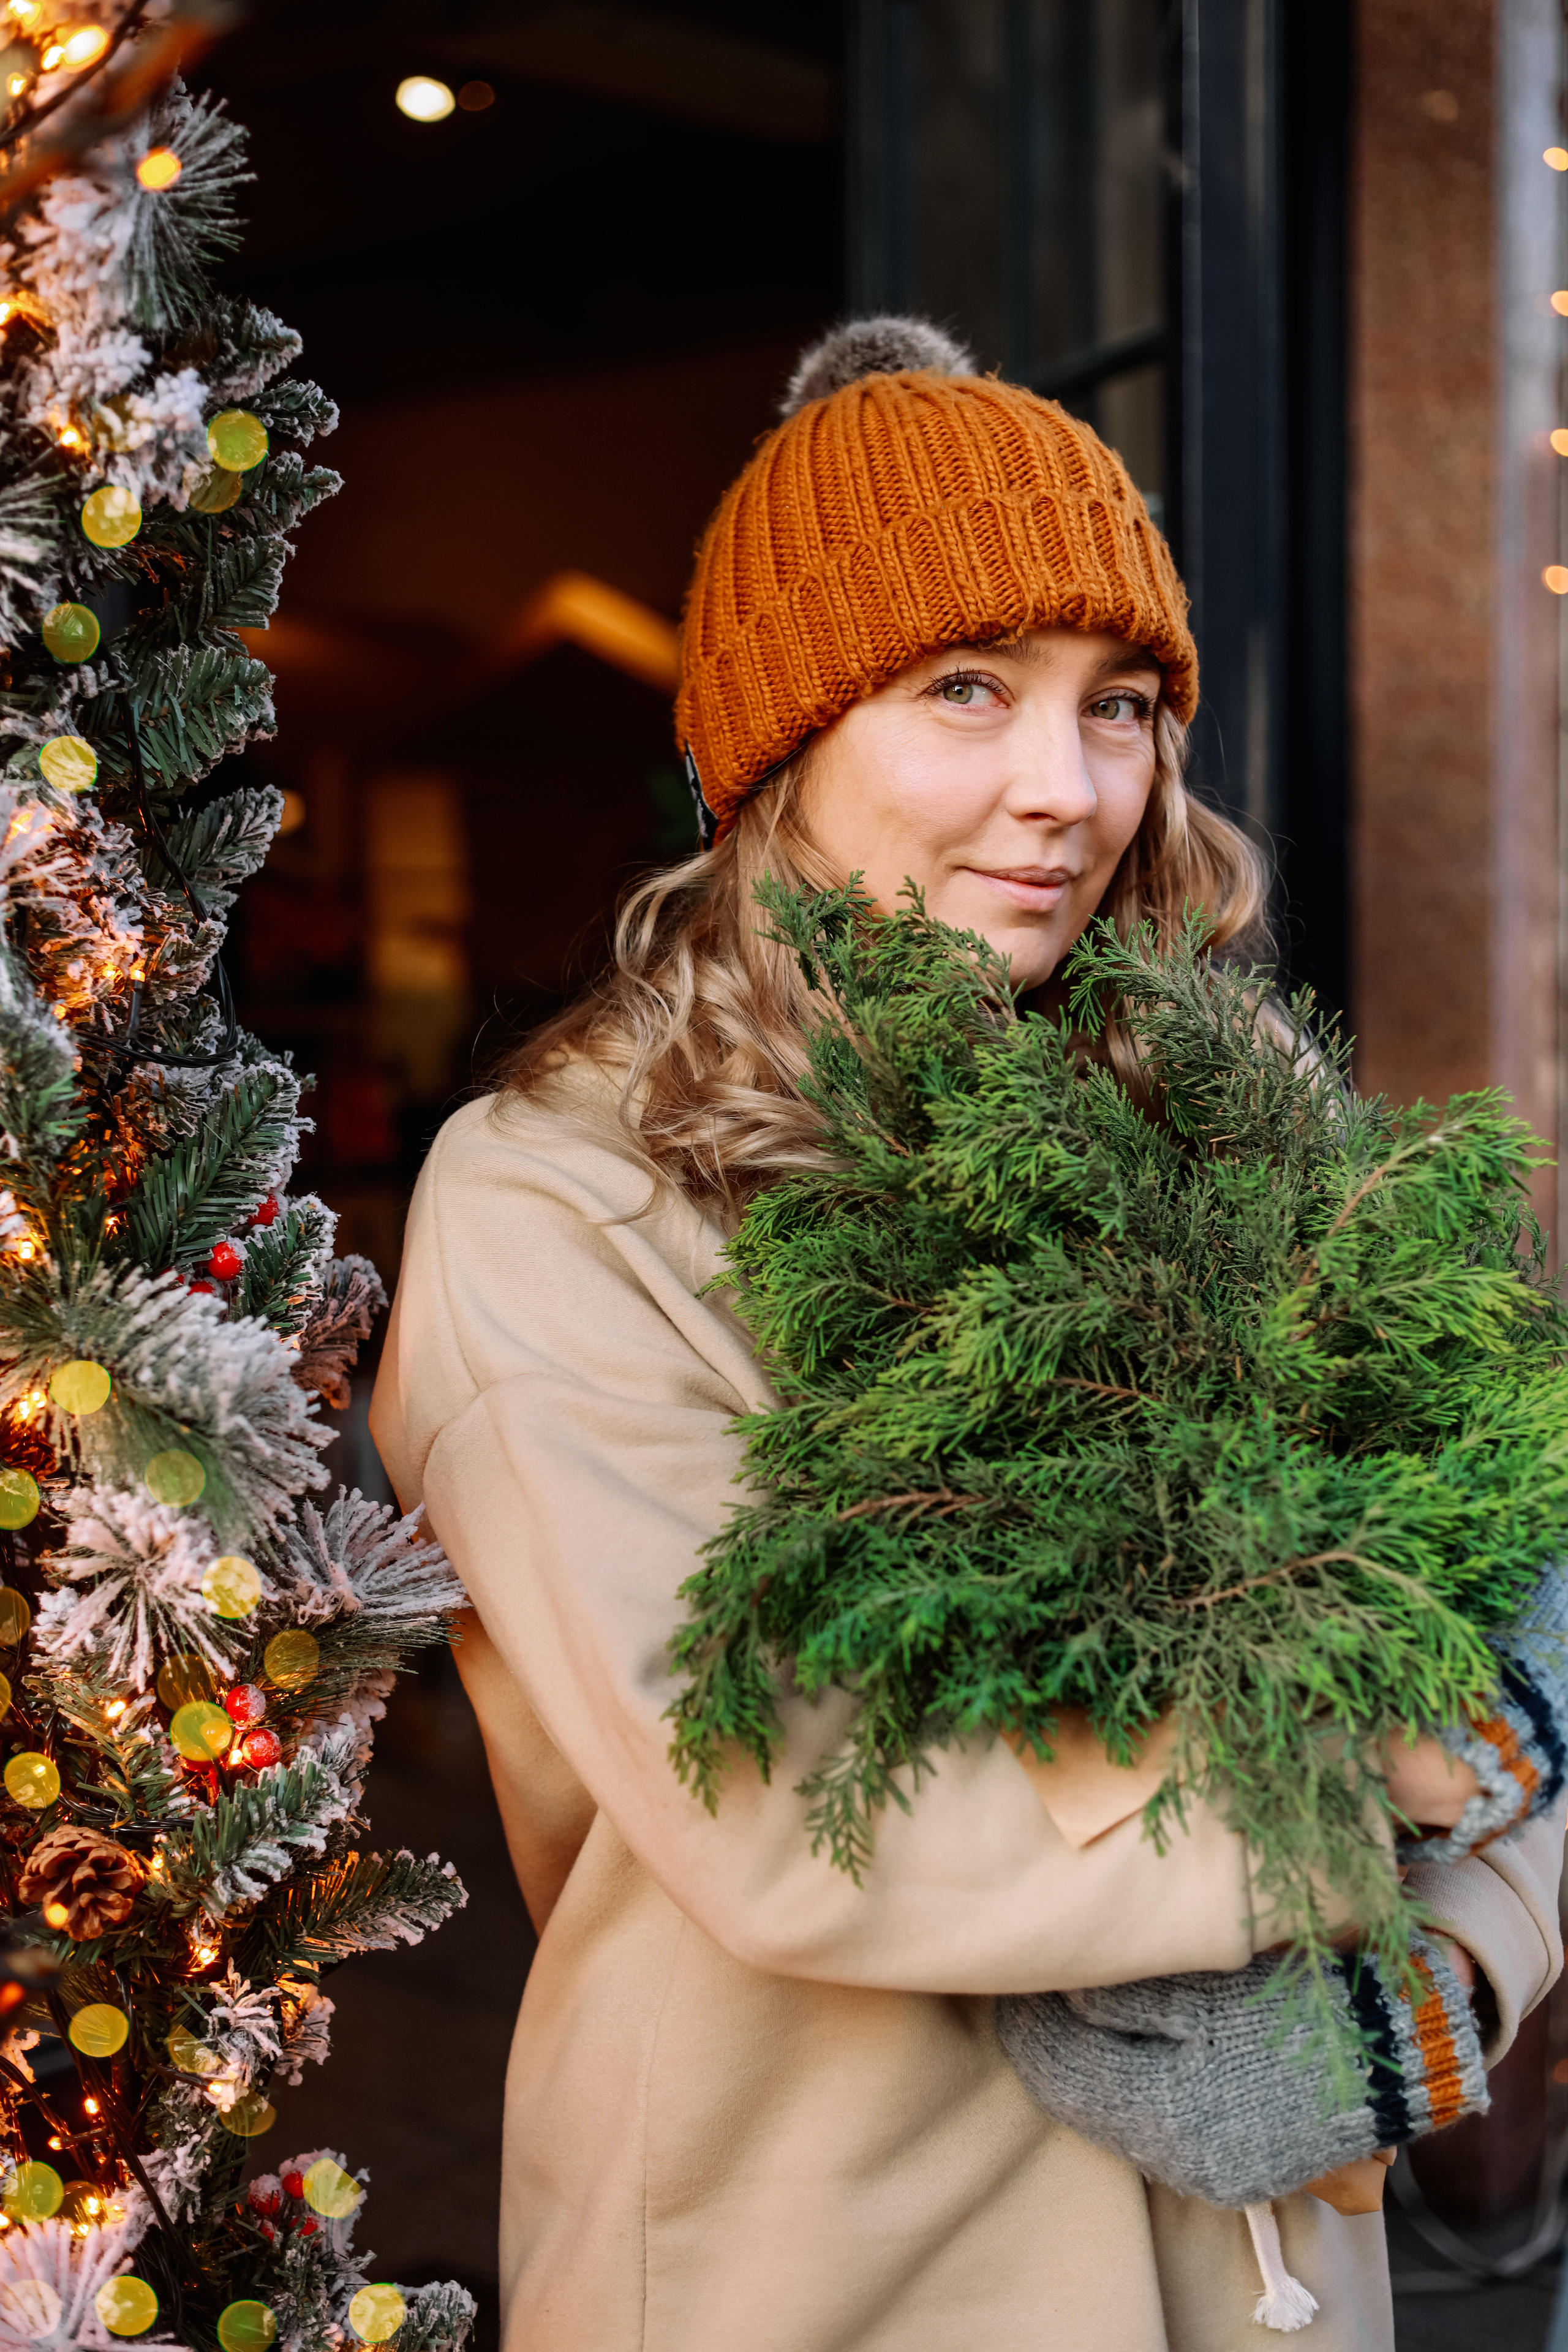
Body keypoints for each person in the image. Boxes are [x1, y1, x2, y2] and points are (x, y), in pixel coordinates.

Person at [370, 319, 1564, 2352]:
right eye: (965, 692)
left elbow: (1529, 1627)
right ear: (778, 748)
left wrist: (1455, 1983)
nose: (1064, 790)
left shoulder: (1252, 1135)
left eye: (1120, 710)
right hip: (826, 2277)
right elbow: (805, 1816)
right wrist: (1397, 1748)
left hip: (1276, 2279)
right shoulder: (558, 1203)